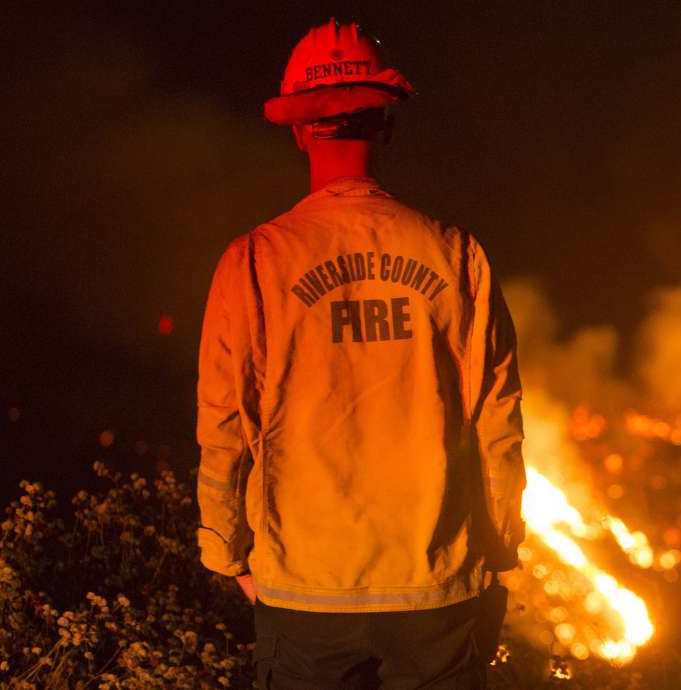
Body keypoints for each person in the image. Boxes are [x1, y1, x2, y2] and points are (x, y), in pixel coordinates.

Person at [194, 19, 526, 689]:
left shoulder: (255, 262)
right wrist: (497, 549)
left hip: (306, 591)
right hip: (436, 590)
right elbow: (497, 420)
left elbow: (224, 425)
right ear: (386, 125)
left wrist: (227, 554)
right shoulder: (457, 255)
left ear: (297, 129)